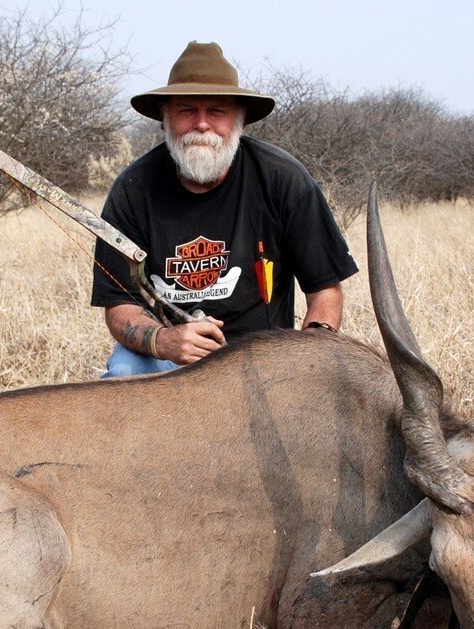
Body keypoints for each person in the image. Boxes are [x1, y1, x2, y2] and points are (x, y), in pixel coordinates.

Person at [91, 41, 359, 378]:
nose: (202, 124)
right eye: (186, 110)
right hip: (168, 358)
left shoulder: (283, 179)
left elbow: (325, 290)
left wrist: (307, 360)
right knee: (123, 377)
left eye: (217, 111)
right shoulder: (132, 189)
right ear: (165, 120)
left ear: (240, 120)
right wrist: (164, 341)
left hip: (264, 361)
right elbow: (119, 304)